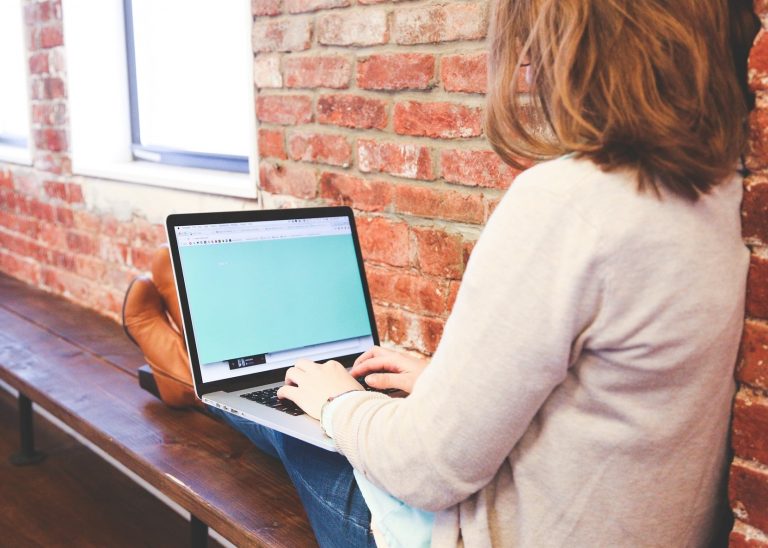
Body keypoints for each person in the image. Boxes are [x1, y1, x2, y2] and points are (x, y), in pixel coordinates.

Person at [207, 1, 760, 546]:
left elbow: (426, 472)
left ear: (575, 44)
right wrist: (446, 391)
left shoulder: (569, 203)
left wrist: (339, 403)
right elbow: (606, 402)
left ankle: (182, 370)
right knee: (307, 403)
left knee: (295, 420)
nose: (531, 62)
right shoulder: (727, 195)